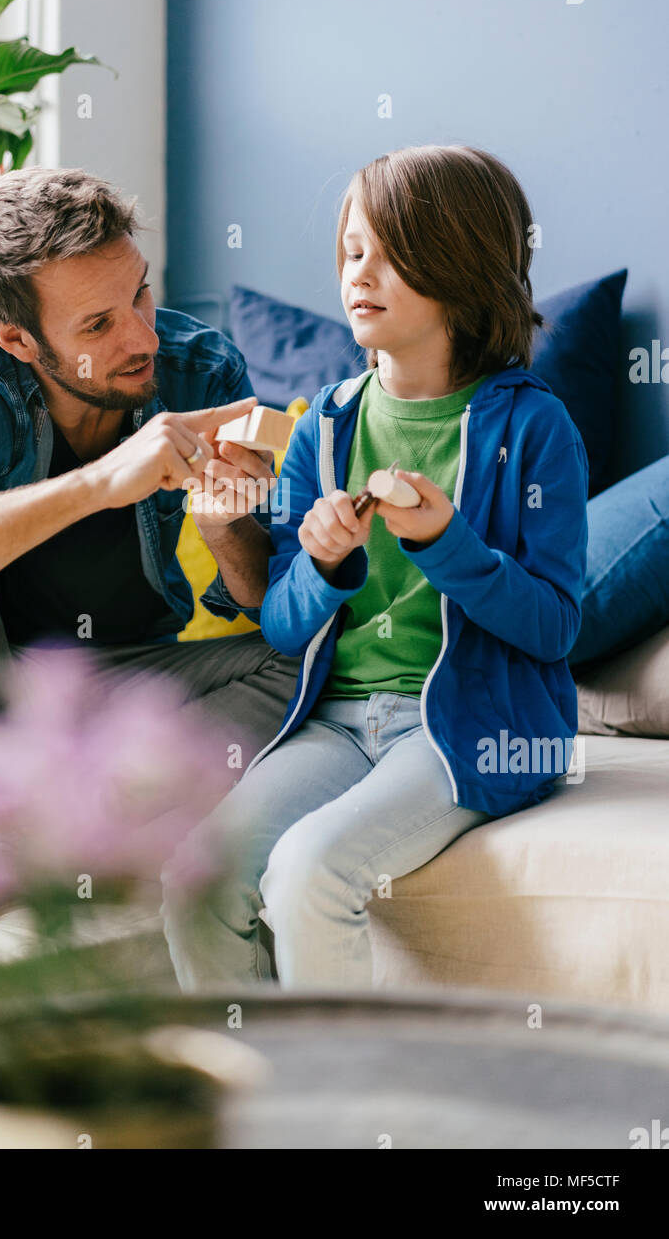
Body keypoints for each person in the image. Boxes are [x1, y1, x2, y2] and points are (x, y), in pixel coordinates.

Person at [161, 144, 589, 991]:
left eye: (392, 255)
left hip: (471, 728)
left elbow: (552, 627)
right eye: (353, 252)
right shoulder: (322, 424)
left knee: (309, 873)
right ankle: (253, 1106)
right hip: (337, 722)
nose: (361, 274)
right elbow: (281, 623)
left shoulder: (534, 430)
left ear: (461, 270)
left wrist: (445, 545)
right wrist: (321, 565)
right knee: (193, 880)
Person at [0, 167, 300, 810]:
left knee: (310, 668)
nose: (145, 337)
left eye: (141, 294)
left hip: (109, 681)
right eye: (97, 326)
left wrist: (223, 526)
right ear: (15, 338)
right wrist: (98, 483)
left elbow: (267, 599)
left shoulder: (201, 370)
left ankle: (60, 820)